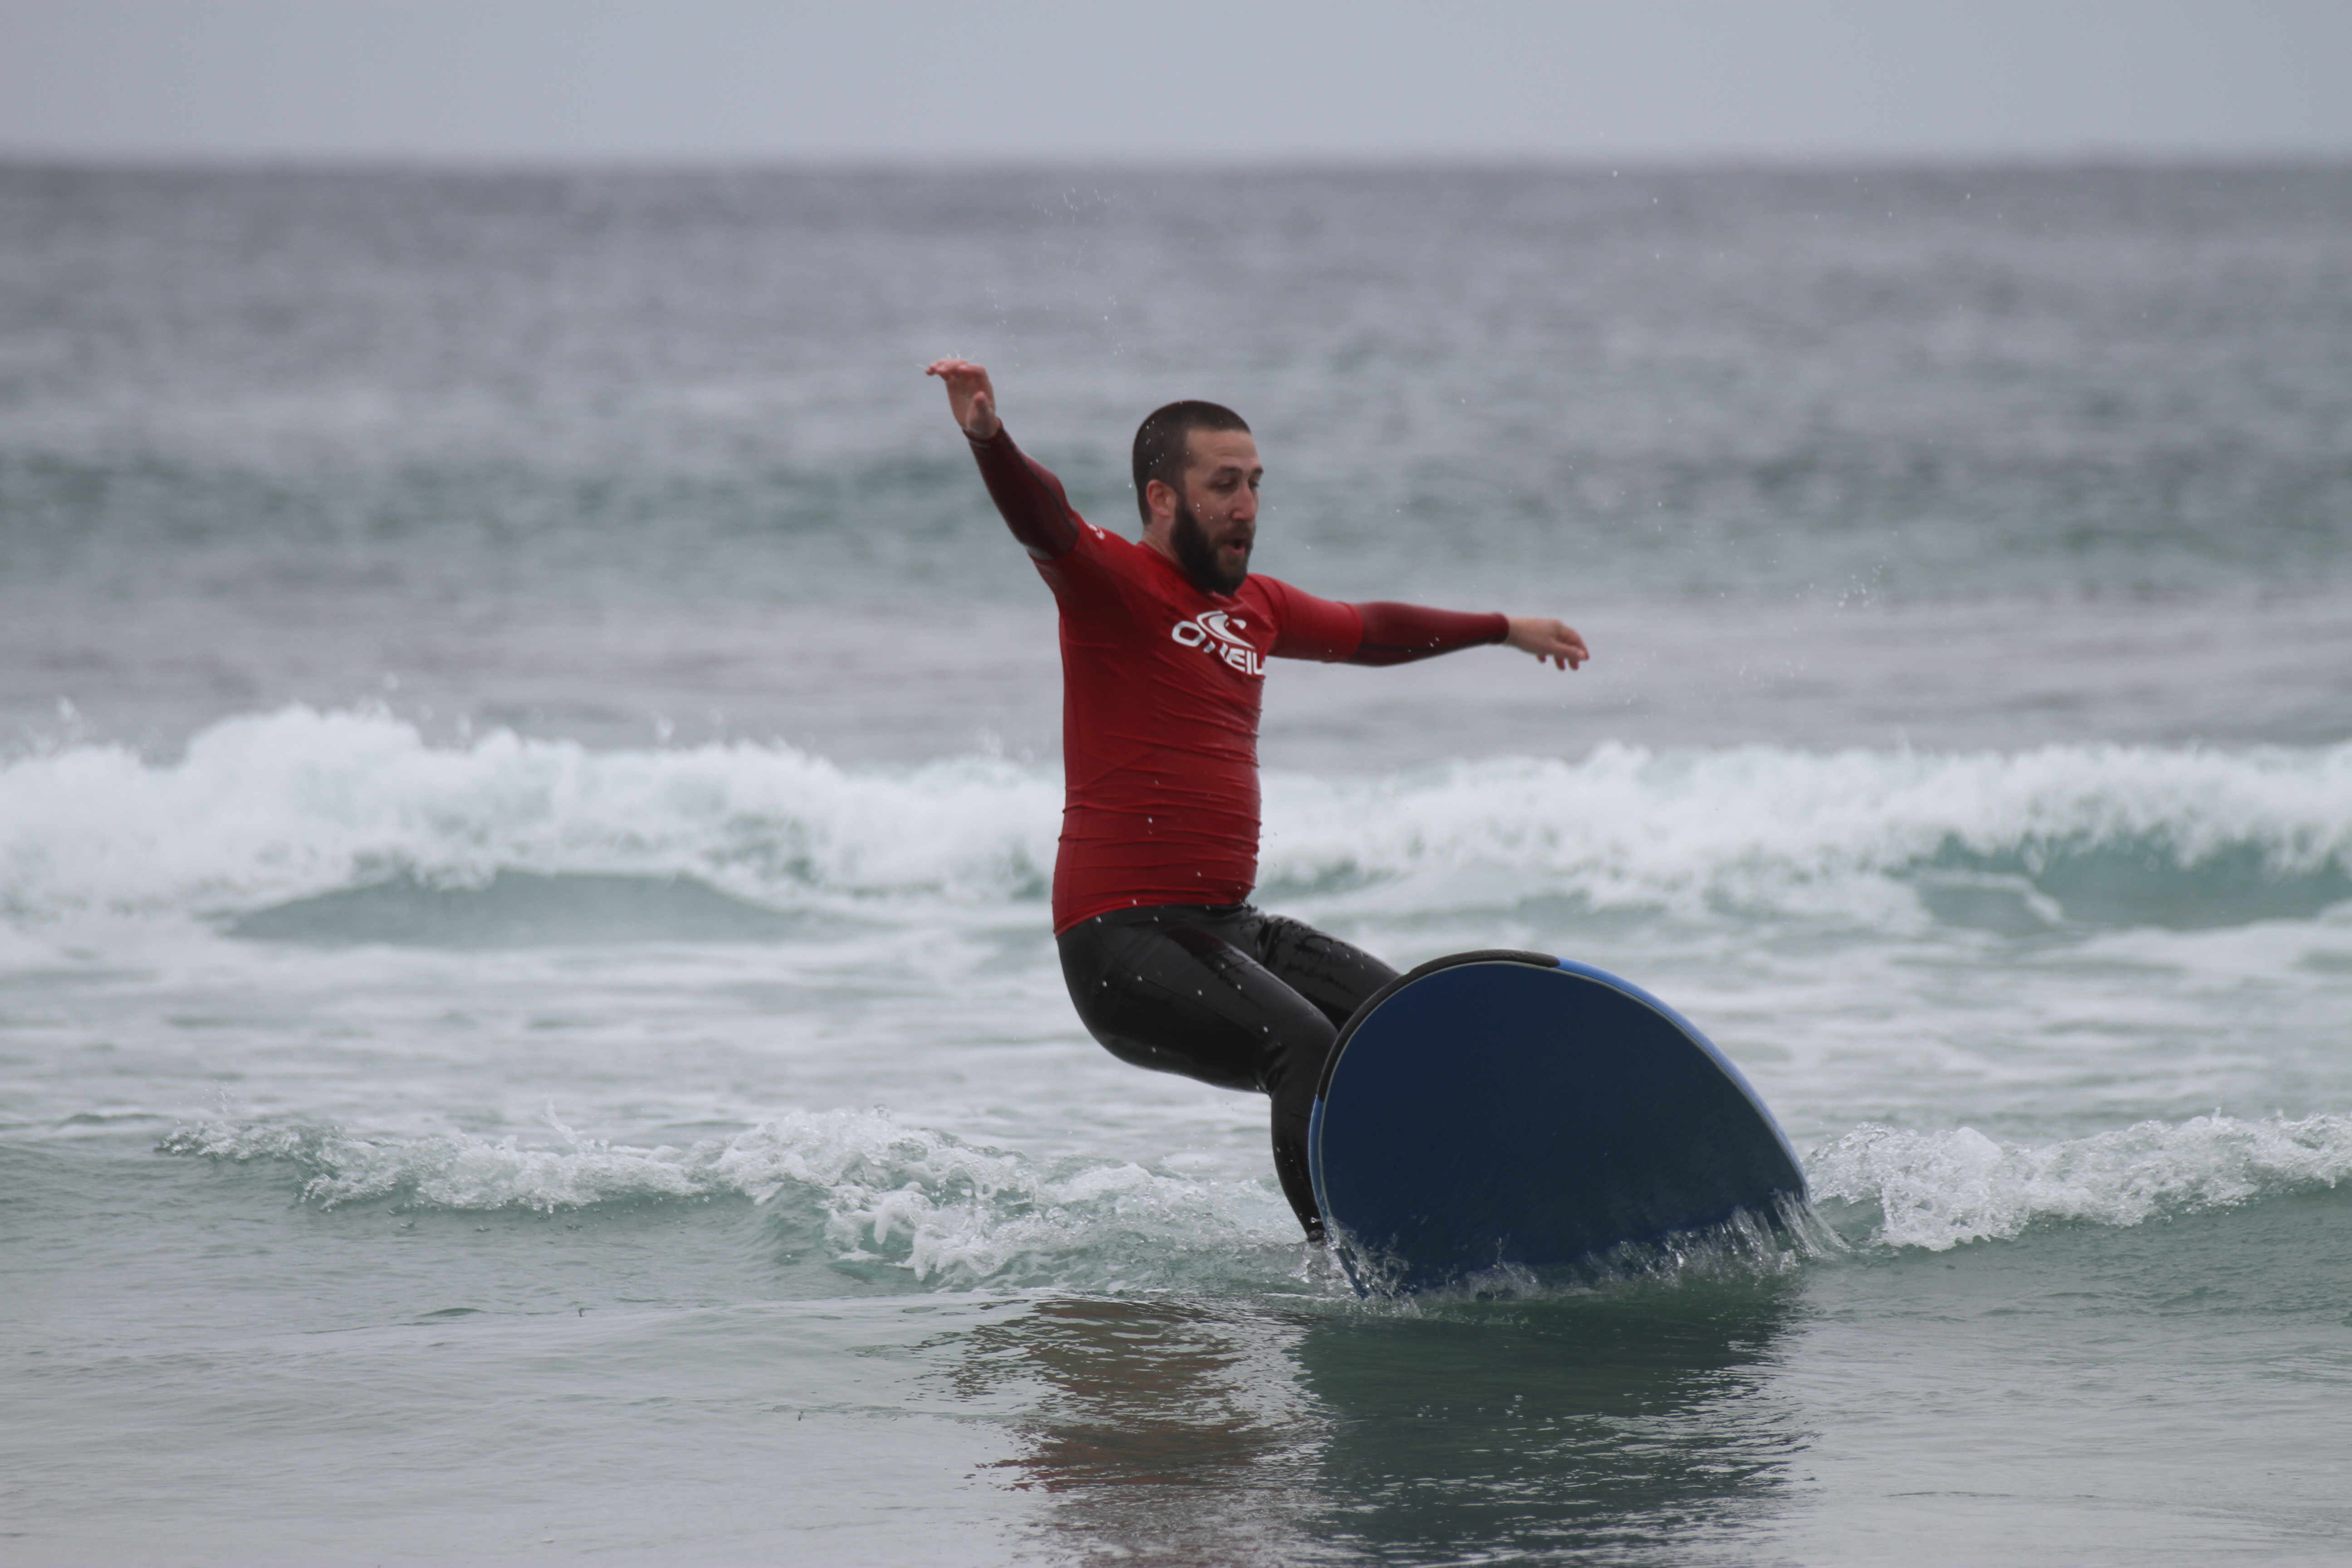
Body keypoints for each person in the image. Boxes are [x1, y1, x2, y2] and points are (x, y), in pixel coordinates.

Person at [926, 358, 1588, 1241]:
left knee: (1400, 1022)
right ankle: (1343, 1263)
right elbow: (1042, 519)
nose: (1248, 507)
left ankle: (1471, 1212)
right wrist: (988, 439)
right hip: (1120, 939)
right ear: (1163, 500)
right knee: (1304, 1046)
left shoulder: (1258, 611)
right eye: (1224, 485)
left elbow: (1370, 632)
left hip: (1221, 925)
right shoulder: (1112, 586)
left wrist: (1501, 629)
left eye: (1256, 485)